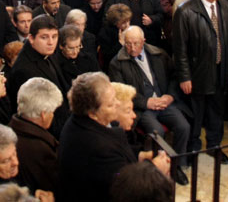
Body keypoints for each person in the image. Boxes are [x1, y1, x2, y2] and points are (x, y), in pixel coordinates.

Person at [58, 72, 169, 202]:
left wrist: (140, 155)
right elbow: (123, 186)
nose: (117, 104)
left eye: (114, 98)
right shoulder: (96, 146)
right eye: (110, 104)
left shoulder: (80, 121)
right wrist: (153, 168)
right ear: (93, 113)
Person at [108, 26, 191, 180]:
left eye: (136, 43)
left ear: (143, 41)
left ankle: (177, 165)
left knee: (183, 126)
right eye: (128, 44)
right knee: (157, 131)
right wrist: (147, 102)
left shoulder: (158, 54)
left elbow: (174, 76)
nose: (132, 48)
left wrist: (170, 96)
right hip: (143, 108)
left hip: (164, 101)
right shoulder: (117, 63)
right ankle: (158, 168)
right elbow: (121, 92)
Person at [172, 0, 228, 160]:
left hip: (220, 70)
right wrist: (184, 76)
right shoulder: (186, 11)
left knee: (216, 112)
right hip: (197, 72)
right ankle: (193, 148)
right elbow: (179, 48)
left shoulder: (225, 7)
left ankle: (215, 145)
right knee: (196, 114)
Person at [9, 77, 63, 194]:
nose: (53, 116)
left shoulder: (11, 130)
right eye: (52, 112)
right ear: (43, 114)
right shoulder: (40, 149)